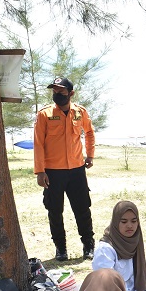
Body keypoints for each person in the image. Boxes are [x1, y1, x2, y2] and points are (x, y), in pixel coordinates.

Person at [33, 76, 96, 261]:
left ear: (71, 93)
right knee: (54, 210)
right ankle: (61, 249)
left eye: (61, 91)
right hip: (53, 172)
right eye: (54, 91)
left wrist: (90, 155)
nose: (57, 94)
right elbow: (38, 144)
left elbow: (90, 132)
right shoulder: (44, 114)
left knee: (83, 209)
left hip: (77, 170)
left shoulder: (80, 112)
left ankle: (88, 246)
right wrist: (40, 171)